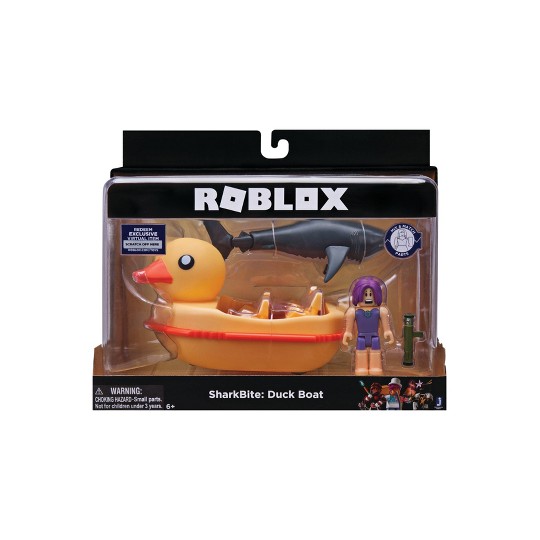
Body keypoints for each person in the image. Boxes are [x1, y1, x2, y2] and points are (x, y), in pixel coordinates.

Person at [343, 276, 394, 375]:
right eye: (365, 294)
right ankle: (360, 368)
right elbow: (349, 324)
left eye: (371, 294)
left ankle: (376, 368)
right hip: (361, 337)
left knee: (375, 352)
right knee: (360, 352)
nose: (368, 298)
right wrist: (348, 332)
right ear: (358, 295)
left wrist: (388, 331)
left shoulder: (380, 311)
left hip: (375, 336)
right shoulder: (353, 311)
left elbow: (386, 324)